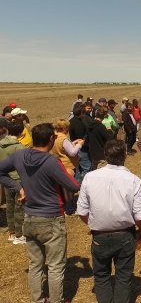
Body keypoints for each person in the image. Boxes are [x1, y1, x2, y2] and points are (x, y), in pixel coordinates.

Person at [0, 123, 80, 303]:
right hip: (52, 219)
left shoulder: (19, 155)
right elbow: (73, 186)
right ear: (51, 139)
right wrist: (68, 172)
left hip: (29, 218)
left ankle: (37, 300)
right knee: (55, 266)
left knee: (35, 265)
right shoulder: (51, 161)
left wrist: (18, 187)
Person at [77, 140, 141, 303]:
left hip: (100, 236)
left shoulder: (90, 177)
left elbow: (81, 211)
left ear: (106, 155)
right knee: (123, 277)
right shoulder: (133, 180)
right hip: (125, 235)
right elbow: (140, 216)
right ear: (124, 156)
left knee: (101, 277)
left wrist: (94, 223)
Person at [0, 120, 26, 244]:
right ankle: (19, 235)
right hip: (18, 180)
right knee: (19, 208)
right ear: (21, 132)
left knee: (9, 207)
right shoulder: (19, 147)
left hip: (5, 179)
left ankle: (11, 233)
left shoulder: (1, 144)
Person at [51, 119, 84, 214]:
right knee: (68, 189)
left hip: (60, 164)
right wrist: (80, 144)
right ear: (64, 128)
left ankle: (66, 206)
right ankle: (69, 209)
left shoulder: (55, 137)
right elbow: (73, 153)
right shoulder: (63, 139)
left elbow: (62, 149)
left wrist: (73, 143)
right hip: (68, 166)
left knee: (63, 188)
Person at [69, 103, 92, 183]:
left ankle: (77, 184)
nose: (85, 115)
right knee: (87, 167)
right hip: (82, 149)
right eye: (84, 113)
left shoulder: (72, 120)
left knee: (78, 168)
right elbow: (80, 138)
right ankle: (84, 184)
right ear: (81, 113)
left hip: (75, 147)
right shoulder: (78, 124)